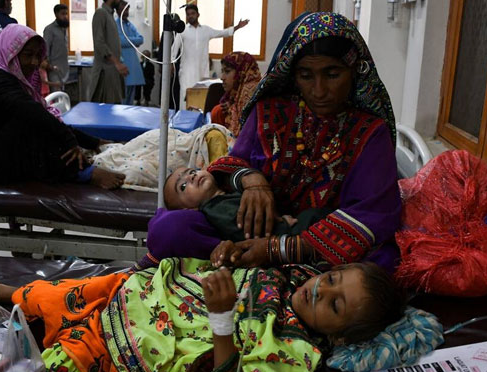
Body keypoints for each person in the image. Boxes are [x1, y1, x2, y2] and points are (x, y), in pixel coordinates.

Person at [144, 12, 401, 273]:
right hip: (244, 231)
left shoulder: (369, 133)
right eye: (306, 75)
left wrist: (277, 248)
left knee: (384, 261)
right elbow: (228, 165)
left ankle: (261, 265)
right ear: (292, 74)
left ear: (354, 71)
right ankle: (231, 256)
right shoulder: (270, 112)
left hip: (317, 243)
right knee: (169, 229)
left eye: (332, 74)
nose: (319, 90)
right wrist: (251, 180)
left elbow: (372, 216)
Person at [0, 258, 405, 372]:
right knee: (42, 296)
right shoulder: (288, 277)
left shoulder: (295, 352)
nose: (319, 291)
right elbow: (221, 275)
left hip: (126, 344)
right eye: (331, 280)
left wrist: (222, 319)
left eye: (335, 305)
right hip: (132, 289)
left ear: (339, 337)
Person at [0, 24, 125, 188]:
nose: (34, 62)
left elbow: (46, 118)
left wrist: (93, 142)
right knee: (31, 123)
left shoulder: (11, 79)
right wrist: (69, 141)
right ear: (9, 53)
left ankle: (82, 166)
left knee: (40, 122)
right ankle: (83, 173)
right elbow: (32, 113)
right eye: (28, 55)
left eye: (38, 56)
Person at [164, 166, 332, 246]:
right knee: (315, 218)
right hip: (283, 237)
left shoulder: (224, 194)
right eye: (183, 187)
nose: (192, 177)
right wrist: (284, 225)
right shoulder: (217, 210)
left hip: (282, 231)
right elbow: (247, 230)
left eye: (193, 171)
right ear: (188, 211)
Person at [171, 4, 249, 110]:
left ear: (198, 14)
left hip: (202, 71)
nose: (190, 16)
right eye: (188, 14)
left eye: (192, 13)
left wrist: (237, 27)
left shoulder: (206, 30)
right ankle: (183, 122)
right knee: (185, 97)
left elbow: (222, 33)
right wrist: (171, 64)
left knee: (203, 97)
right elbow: (174, 49)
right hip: (186, 72)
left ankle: (202, 124)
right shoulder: (182, 31)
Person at [210, 52, 261, 137]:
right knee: (218, 111)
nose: (222, 77)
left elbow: (241, 129)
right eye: (222, 71)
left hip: (247, 143)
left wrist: (231, 109)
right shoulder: (238, 89)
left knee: (217, 112)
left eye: (227, 71)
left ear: (240, 72)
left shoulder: (249, 89)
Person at [89, 0, 129, 104]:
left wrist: (118, 64)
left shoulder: (110, 16)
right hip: (104, 72)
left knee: (114, 108)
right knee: (104, 111)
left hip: (112, 72)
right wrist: (117, 63)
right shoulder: (100, 13)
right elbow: (99, 43)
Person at [114, 0, 145, 105]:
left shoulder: (129, 25)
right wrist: (132, 41)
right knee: (123, 98)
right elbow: (119, 41)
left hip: (133, 66)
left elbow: (140, 39)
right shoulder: (115, 24)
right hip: (123, 65)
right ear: (117, 11)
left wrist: (127, 40)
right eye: (123, 9)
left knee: (130, 101)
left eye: (127, 9)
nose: (126, 12)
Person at [43, 4, 70, 92]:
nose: (65, 16)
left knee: (63, 98)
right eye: (63, 14)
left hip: (64, 70)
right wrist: (49, 66)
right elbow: (45, 50)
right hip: (53, 71)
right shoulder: (49, 29)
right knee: (56, 98)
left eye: (66, 14)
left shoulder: (64, 29)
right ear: (56, 14)